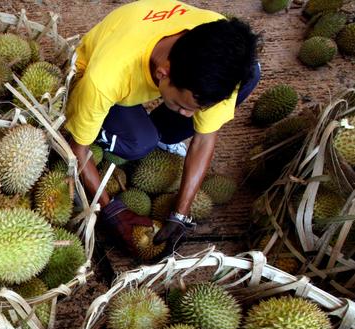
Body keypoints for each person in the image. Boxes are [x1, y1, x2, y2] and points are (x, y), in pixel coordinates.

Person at [64, 0, 261, 258]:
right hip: (93, 69)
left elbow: (204, 139)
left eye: (196, 109)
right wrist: (111, 210)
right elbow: (76, 148)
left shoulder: (216, 54)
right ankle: (134, 132)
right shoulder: (105, 78)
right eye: (182, 106)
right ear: (163, 73)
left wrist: (180, 214)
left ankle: (161, 132)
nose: (190, 117)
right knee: (139, 144)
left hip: (162, 71)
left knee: (252, 73)